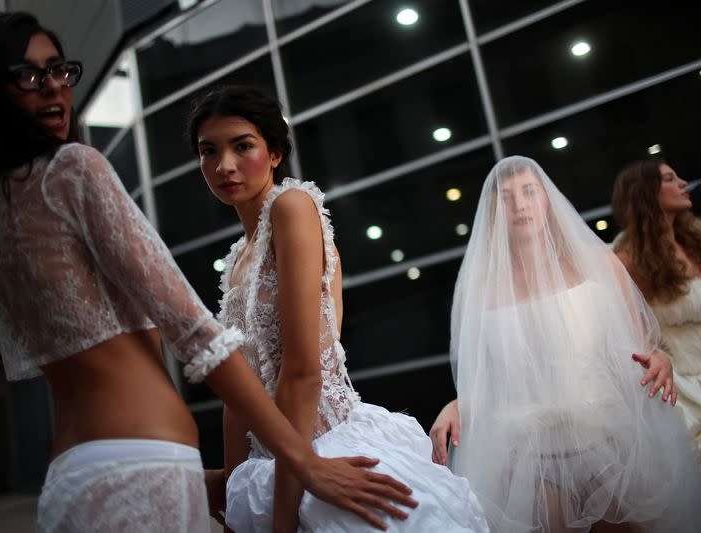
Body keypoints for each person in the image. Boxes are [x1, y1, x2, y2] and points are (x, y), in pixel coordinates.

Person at [0, 13, 416, 532]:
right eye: (29, 75)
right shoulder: (73, 170)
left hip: (71, 473)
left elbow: (297, 371)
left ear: (275, 152)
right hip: (145, 459)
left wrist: (238, 490)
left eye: (59, 70)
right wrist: (300, 466)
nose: (54, 86)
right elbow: (197, 336)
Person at [187, 85, 489, 533]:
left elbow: (303, 372)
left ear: (275, 153)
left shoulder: (292, 207)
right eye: (208, 151)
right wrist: (236, 501)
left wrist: (283, 521)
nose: (223, 165)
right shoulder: (237, 258)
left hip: (328, 448)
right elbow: (238, 400)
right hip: (268, 464)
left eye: (242, 146)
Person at [430, 156, 701, 532]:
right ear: (493, 212)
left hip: (607, 436)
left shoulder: (600, 263)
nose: (519, 205)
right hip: (528, 451)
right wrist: (456, 404)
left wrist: (660, 358)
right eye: (505, 197)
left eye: (529, 191)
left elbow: (641, 345)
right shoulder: (476, 290)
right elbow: (485, 375)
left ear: (547, 199)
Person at [612, 159, 701, 482]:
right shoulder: (627, 259)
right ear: (645, 194)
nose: (682, 183)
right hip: (684, 384)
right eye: (669, 179)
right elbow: (627, 327)